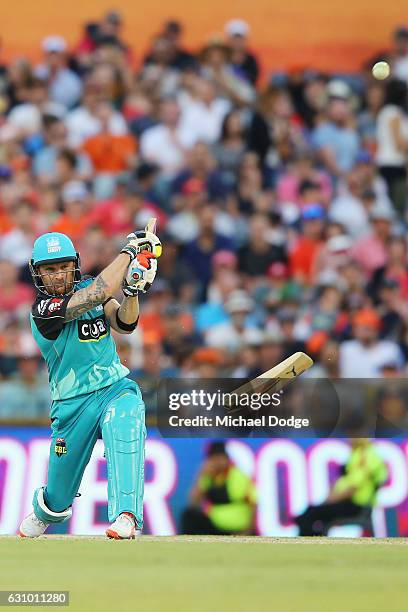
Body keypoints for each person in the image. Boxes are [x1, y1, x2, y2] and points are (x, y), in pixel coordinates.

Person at [18, 224, 162, 539]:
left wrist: (133, 291)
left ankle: (127, 515)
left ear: (75, 266)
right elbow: (97, 292)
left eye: (63, 267)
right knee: (58, 495)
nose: (57, 275)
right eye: (50, 269)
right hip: (72, 405)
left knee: (126, 421)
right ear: (37, 273)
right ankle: (45, 512)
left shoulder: (90, 290)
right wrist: (130, 252)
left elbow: (125, 323)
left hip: (114, 387)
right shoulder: (42, 311)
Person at [294, 438, 387, 536]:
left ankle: (308, 542)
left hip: (355, 505)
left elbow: (353, 487)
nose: (350, 440)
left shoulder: (366, 456)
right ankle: (314, 537)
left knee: (310, 514)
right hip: (350, 503)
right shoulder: (358, 455)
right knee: (310, 514)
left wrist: (332, 500)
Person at [181, 441, 257, 535]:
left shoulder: (239, 476)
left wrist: (248, 530)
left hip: (237, 528)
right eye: (214, 459)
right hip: (215, 526)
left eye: (221, 458)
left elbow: (254, 504)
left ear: (227, 459)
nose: (218, 462)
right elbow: (193, 503)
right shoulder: (208, 476)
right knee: (189, 515)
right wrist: (200, 475)